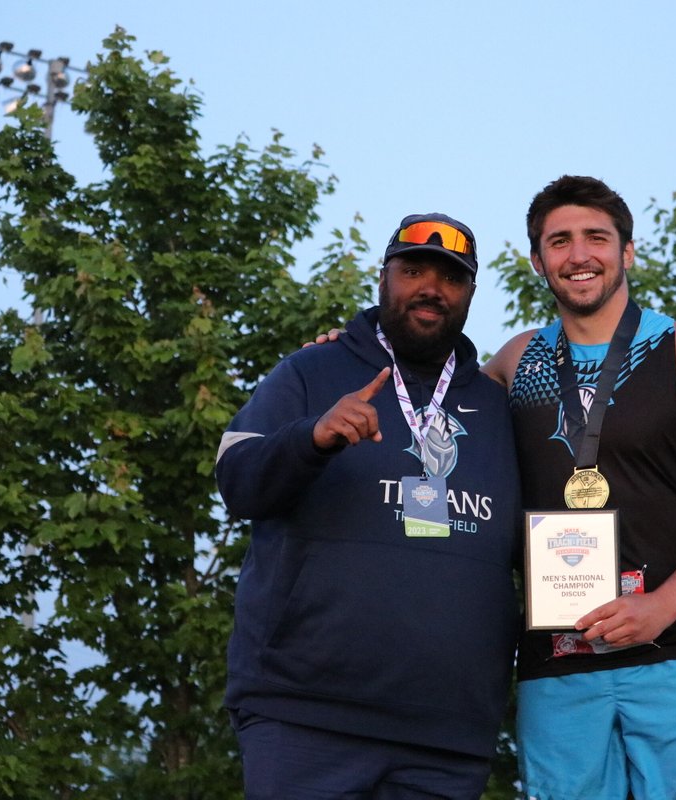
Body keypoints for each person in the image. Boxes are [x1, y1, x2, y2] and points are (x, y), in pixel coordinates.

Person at [484, 176, 676, 800]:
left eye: (596, 237)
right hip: (556, 664)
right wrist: (344, 353)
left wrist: (659, 608)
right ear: (537, 261)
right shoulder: (515, 363)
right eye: (559, 241)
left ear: (628, 251)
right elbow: (427, 418)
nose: (578, 255)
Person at [215, 212, 522, 800]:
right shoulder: (312, 369)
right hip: (305, 717)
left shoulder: (495, 406)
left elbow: (543, 536)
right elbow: (236, 481)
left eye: (451, 278)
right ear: (383, 277)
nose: (431, 288)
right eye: (413, 271)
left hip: (447, 737)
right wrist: (311, 437)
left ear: (470, 294)